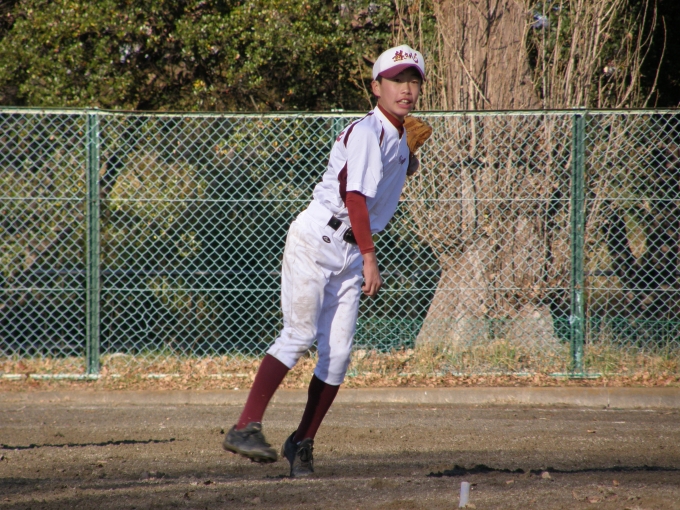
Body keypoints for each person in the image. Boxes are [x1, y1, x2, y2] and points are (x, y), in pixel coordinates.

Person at [223, 44, 425, 477]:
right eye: (396, 81)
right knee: (299, 334)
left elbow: (387, 176)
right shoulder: (368, 132)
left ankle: (301, 442)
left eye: (413, 81)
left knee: (337, 356)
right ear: (376, 88)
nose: (406, 89)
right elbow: (355, 198)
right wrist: (370, 257)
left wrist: (409, 160)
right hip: (318, 240)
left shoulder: (398, 136)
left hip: (347, 251)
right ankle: (244, 426)